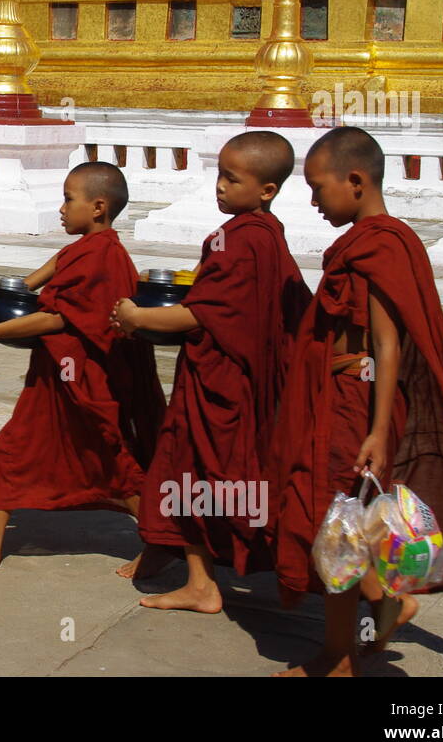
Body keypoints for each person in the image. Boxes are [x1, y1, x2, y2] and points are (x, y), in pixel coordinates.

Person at [269, 126, 443, 676]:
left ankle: (343, 651)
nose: (315, 202)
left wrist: (374, 429)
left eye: (319, 189)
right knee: (339, 521)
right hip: (343, 395)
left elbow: (388, 343)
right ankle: (377, 606)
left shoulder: (379, 245)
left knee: (334, 524)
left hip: (356, 401)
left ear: (357, 181)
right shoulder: (374, 241)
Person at [111, 131, 310, 610]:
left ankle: (204, 583)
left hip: (220, 383)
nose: (220, 186)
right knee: (213, 475)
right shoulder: (264, 233)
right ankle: (186, 563)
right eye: (219, 174)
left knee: (191, 472)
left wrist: (136, 318)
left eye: (231, 178)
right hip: (240, 379)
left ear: (267, 190)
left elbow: (205, 313)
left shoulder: (241, 242)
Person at [0, 162, 165, 569]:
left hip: (82, 384)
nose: (61, 208)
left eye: (67, 199)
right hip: (55, 380)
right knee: (15, 452)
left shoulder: (102, 257)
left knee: (111, 463)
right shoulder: (81, 250)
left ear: (98, 207)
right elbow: (32, 283)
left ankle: (161, 539)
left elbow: (57, 318)